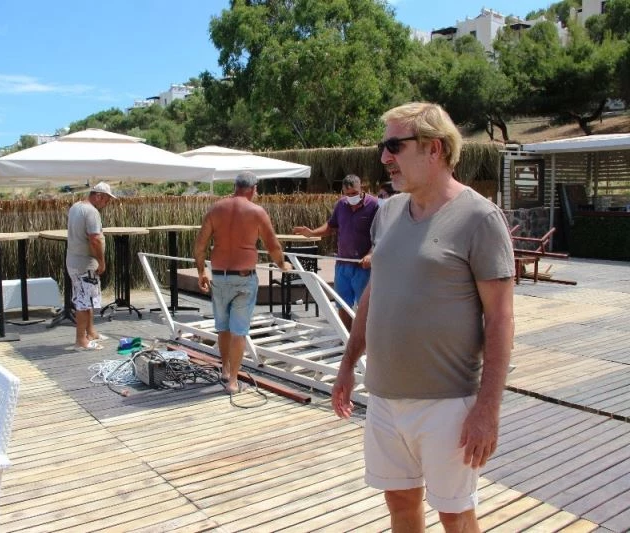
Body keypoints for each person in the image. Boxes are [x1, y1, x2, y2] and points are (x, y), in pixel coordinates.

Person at [332, 102, 514, 532]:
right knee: (399, 503)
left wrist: (488, 408)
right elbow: (373, 295)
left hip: (448, 403)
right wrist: (346, 364)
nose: (384, 157)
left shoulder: (479, 218)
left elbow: (501, 319)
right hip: (384, 397)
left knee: (455, 514)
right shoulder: (389, 212)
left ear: (434, 148)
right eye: (383, 147)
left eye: (395, 146)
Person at [193, 171, 291, 394]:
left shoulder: (216, 209)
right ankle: (233, 382)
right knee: (239, 331)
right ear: (253, 189)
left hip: (219, 277)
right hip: (244, 278)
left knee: (223, 327)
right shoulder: (256, 212)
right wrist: (282, 265)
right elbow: (273, 246)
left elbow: (199, 246)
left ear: (235, 187)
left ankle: (225, 369)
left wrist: (201, 272)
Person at [293, 174, 378, 330]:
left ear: (361, 188)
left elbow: (381, 234)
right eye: (347, 194)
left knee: (366, 306)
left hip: (363, 265)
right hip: (343, 263)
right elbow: (331, 226)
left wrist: (371, 254)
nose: (351, 197)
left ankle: (367, 339)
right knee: (342, 303)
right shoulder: (341, 204)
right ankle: (347, 337)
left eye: (354, 193)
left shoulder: (374, 205)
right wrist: (312, 233)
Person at [66, 181, 115, 350]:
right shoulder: (92, 212)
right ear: (99, 196)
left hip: (74, 261)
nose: (107, 203)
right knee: (84, 302)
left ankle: (91, 332)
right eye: (107, 199)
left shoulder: (76, 207)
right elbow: (95, 239)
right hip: (85, 264)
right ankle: (81, 340)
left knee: (87, 298)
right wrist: (101, 261)